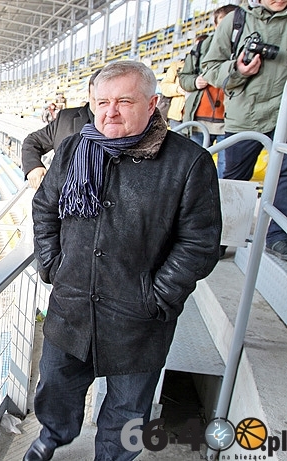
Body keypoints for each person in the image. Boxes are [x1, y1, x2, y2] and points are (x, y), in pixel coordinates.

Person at [25, 60, 222, 461]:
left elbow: (199, 244)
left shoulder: (189, 163)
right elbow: (45, 207)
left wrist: (157, 296)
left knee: (128, 407)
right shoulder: (73, 149)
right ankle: (52, 436)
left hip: (140, 318)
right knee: (57, 385)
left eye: (123, 101)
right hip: (72, 305)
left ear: (152, 105)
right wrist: (52, 266)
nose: (109, 112)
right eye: (101, 102)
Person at [202, 0, 287, 260]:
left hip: (283, 116)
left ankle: (277, 237)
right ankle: (221, 238)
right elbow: (210, 69)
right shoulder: (235, 21)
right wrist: (237, 70)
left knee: (286, 177)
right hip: (245, 116)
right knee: (235, 178)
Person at [178, 4, 239, 178]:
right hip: (199, 120)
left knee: (226, 172)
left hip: (230, 123)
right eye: (223, 23)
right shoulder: (201, 48)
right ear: (215, 25)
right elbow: (184, 78)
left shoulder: (247, 47)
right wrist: (195, 82)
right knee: (194, 168)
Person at [22, 70, 100, 189]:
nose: (104, 106)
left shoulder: (129, 125)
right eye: (97, 100)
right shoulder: (65, 118)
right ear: (89, 94)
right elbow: (32, 141)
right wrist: (34, 167)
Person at [158, 60, 186, 129]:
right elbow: (164, 87)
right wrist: (177, 89)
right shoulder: (177, 66)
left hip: (200, 117)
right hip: (177, 116)